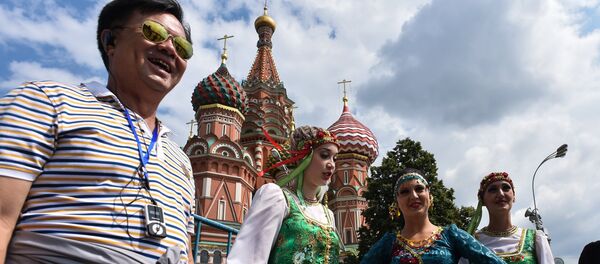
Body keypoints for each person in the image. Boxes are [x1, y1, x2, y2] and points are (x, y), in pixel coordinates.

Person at [0, 0, 196, 263]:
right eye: (154, 33)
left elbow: (187, 253)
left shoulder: (181, 160)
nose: (170, 48)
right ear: (111, 41)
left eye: (182, 47)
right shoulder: (46, 101)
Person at [227, 126, 341, 264]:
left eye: (334, 159)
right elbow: (248, 258)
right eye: (324, 155)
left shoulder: (328, 214)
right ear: (303, 157)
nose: (332, 165)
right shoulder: (277, 198)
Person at [362, 168, 504, 264]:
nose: (414, 196)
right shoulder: (389, 243)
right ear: (396, 202)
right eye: (405, 192)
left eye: (419, 189)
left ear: (429, 196)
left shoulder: (451, 235)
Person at [465, 172, 554, 264]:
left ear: (514, 196)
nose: (500, 194)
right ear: (482, 200)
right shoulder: (471, 242)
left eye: (506, 188)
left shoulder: (535, 239)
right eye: (493, 190)